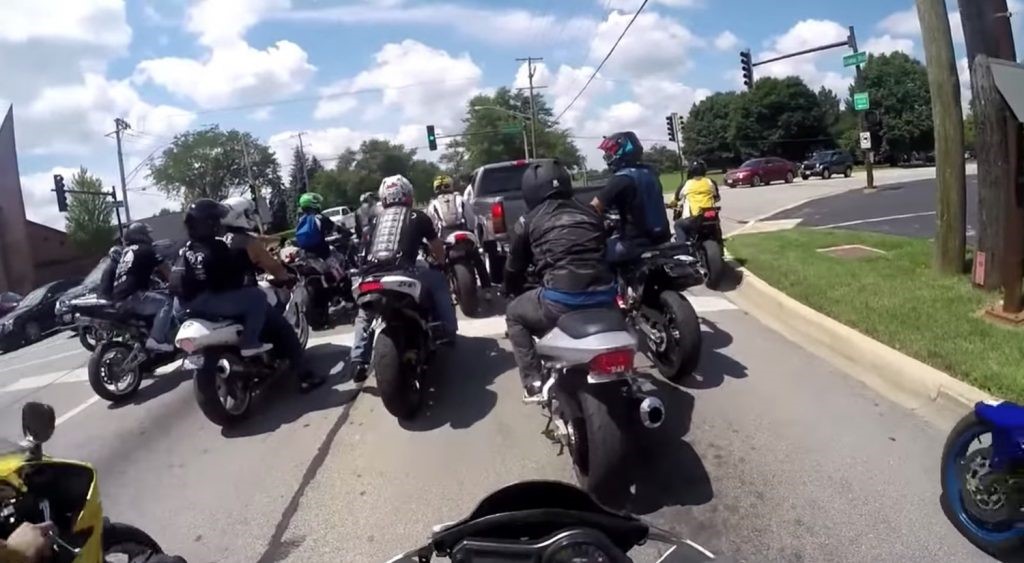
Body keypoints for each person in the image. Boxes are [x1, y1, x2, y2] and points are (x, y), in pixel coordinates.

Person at [504, 160, 618, 397]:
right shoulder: (590, 212)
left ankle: (533, 381)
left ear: (530, 189)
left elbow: (514, 268)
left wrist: (511, 290)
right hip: (607, 297)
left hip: (561, 300)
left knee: (514, 314)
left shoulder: (528, 221)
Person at [348, 175, 458, 383]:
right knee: (437, 281)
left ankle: (357, 360)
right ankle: (447, 331)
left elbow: (361, 251)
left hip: (370, 276)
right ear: (408, 195)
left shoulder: (371, 221)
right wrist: (442, 264)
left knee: (364, 314)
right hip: (403, 272)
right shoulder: (418, 216)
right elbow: (436, 247)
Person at [219, 196, 325, 392]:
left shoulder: (219, 240)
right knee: (284, 330)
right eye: (248, 213)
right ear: (240, 216)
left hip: (218, 300)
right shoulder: (247, 242)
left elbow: (262, 240)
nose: (251, 216)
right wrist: (286, 277)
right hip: (244, 297)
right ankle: (305, 377)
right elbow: (273, 266)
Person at [170, 199, 272, 358]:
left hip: (179, 307)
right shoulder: (216, 246)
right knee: (257, 297)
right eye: (215, 219)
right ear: (208, 223)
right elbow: (232, 282)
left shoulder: (181, 246)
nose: (219, 223)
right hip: (204, 302)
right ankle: (250, 342)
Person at [590, 131, 671, 264]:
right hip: (663, 238)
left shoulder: (621, 179)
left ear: (620, 153)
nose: (607, 157)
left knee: (598, 254)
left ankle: (615, 284)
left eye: (609, 153)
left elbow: (594, 207)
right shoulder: (651, 173)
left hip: (634, 244)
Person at [111, 222, 176, 352]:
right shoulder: (146, 250)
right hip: (133, 296)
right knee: (166, 303)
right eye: (146, 234)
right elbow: (166, 270)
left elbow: (136, 272)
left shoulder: (127, 252)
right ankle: (157, 340)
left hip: (118, 297)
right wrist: (177, 282)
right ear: (141, 235)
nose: (149, 237)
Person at [425, 174, 492, 290]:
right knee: (477, 259)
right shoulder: (460, 199)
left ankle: (441, 290)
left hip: (444, 238)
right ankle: (487, 288)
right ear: (450, 185)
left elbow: (431, 225)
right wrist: (471, 231)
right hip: (463, 233)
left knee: (438, 263)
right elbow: (471, 220)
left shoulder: (432, 205)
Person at [671, 159, 721, 243]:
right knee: (716, 225)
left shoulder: (686, 183)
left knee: (678, 225)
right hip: (710, 216)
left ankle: (682, 247)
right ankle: (720, 243)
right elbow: (717, 198)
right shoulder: (710, 182)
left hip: (693, 218)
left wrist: (671, 204)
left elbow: (676, 199)